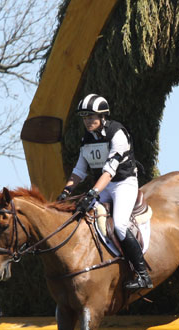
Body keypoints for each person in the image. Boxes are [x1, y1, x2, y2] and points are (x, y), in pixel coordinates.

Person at [58, 93, 152, 290]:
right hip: (103, 186)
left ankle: (143, 275)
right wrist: (65, 192)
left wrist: (92, 193)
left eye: (91, 117)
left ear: (102, 117)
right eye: (84, 117)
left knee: (119, 226)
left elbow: (109, 171)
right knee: (79, 217)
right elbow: (79, 171)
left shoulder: (117, 133)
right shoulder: (87, 139)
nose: (87, 121)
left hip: (123, 184)